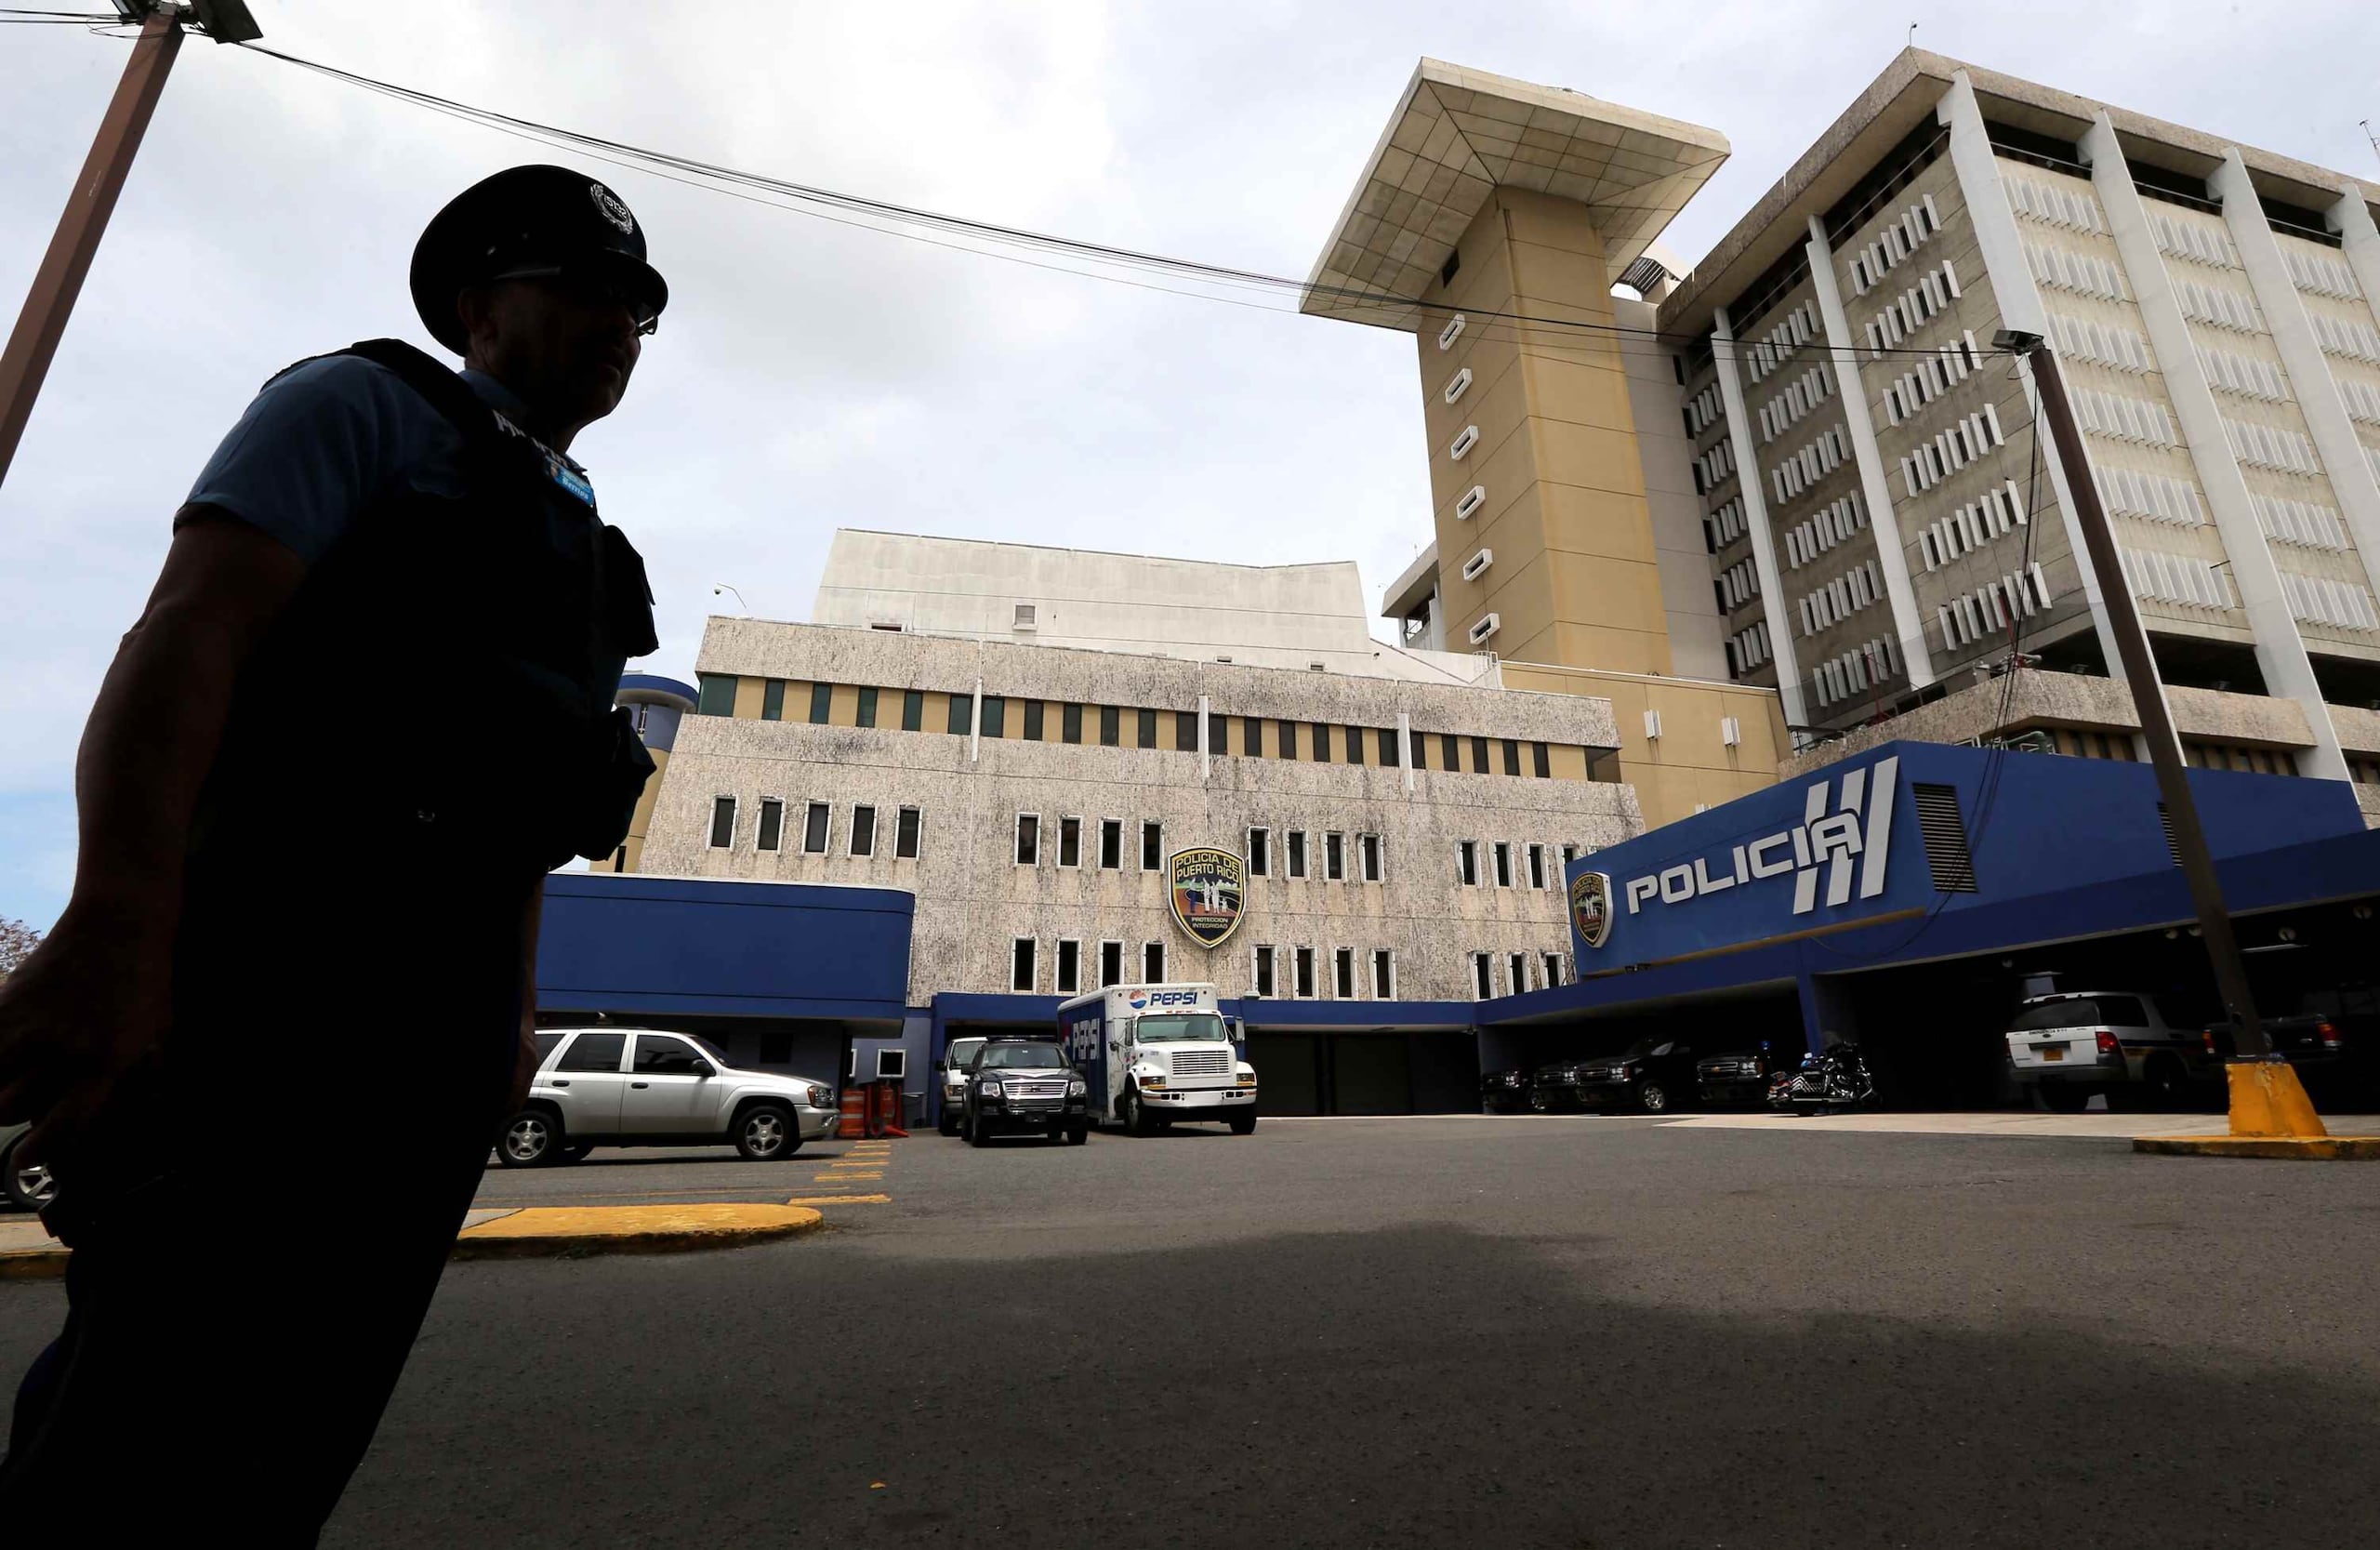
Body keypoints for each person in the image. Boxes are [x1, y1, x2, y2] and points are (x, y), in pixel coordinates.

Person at [0, 164, 668, 1541]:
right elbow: (188, 634)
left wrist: (509, 1022)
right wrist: (117, 924)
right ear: (479, 309)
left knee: (292, 1438)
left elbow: (526, 812)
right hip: (267, 987)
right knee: (146, 1429)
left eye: (640, 308)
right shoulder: (360, 407)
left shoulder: (587, 541)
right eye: (586, 291)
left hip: (431, 1044)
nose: (621, 323)